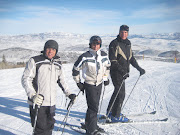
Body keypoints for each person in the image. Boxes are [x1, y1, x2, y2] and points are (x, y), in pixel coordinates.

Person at [22, 40, 76, 135]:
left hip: (51, 103)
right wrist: (32, 95)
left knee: (49, 126)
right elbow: (26, 79)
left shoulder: (57, 63)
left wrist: (69, 93)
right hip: (38, 102)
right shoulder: (35, 61)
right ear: (44, 49)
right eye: (48, 49)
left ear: (56, 51)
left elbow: (61, 80)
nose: (50, 51)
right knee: (40, 130)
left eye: (53, 49)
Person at [106, 25, 145, 122]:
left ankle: (111, 112)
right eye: (122, 32)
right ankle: (116, 115)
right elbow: (113, 61)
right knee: (121, 93)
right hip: (116, 72)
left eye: (126, 32)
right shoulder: (114, 43)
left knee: (117, 91)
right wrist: (123, 71)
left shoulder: (128, 43)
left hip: (123, 72)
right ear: (119, 32)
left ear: (128, 33)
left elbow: (131, 58)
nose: (124, 34)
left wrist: (139, 68)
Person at [72, 36, 110, 135]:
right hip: (89, 84)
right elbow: (75, 69)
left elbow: (107, 67)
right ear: (90, 44)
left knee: (93, 105)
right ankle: (91, 130)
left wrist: (105, 78)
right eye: (94, 44)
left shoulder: (104, 55)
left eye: (97, 44)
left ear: (100, 45)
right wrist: (78, 82)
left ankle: (90, 124)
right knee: (93, 107)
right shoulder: (85, 56)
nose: (95, 46)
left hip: (99, 83)